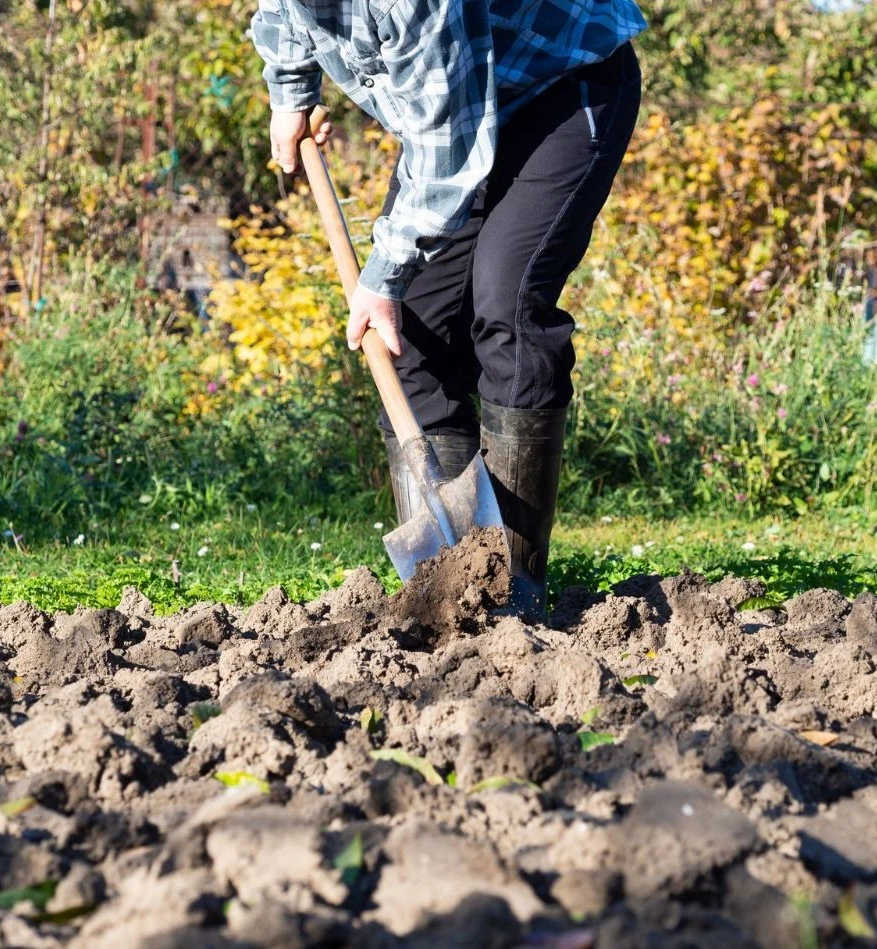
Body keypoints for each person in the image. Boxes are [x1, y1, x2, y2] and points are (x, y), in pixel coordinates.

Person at [251, 0, 645, 619]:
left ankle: (515, 586)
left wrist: (381, 279)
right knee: (413, 335)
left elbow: (446, 157)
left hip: (560, 91)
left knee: (508, 304)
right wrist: (291, 92)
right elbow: (279, 13)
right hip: (458, 114)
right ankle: (446, 589)